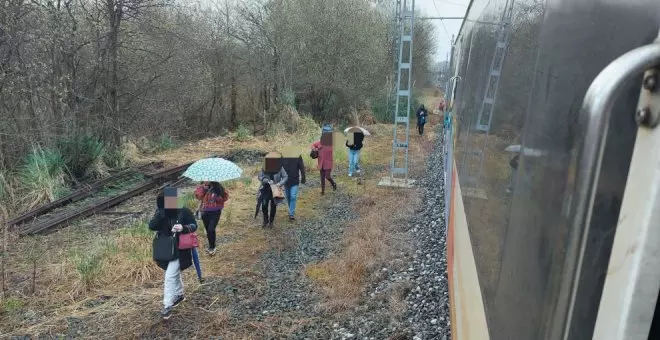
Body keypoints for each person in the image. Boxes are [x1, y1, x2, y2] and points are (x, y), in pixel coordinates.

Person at [149, 187, 198, 320]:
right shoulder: (161, 212)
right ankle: (179, 294)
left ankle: (167, 305)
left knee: (170, 275)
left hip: (181, 249)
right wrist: (161, 213)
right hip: (165, 247)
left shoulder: (184, 211)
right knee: (172, 273)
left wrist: (184, 228)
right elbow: (152, 226)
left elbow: (194, 225)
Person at [194, 181, 229, 256]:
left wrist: (217, 196)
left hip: (215, 212)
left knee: (211, 229)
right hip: (205, 212)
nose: (206, 181)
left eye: (208, 180)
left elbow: (225, 197)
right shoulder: (202, 187)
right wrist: (203, 189)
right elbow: (198, 196)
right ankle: (211, 245)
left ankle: (212, 247)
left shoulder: (219, 187)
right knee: (208, 230)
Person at [257, 152, 288, 228]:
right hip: (265, 189)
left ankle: (271, 221)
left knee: (273, 206)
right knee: (264, 205)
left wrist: (280, 183)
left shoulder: (280, 167)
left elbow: (285, 176)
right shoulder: (264, 167)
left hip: (275, 189)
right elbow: (260, 176)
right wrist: (265, 180)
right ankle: (265, 220)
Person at [311, 124, 336, 195]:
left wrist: (318, 147)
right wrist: (314, 148)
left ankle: (333, 184)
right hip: (321, 162)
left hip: (328, 162)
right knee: (322, 177)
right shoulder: (319, 142)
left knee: (327, 176)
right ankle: (323, 191)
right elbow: (312, 145)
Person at [281, 153, 306, 221]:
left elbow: (302, 167)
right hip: (286, 181)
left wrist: (303, 177)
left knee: (293, 196)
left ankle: (291, 214)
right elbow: (279, 168)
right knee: (288, 197)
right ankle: (291, 209)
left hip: (295, 180)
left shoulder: (298, 156)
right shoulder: (282, 156)